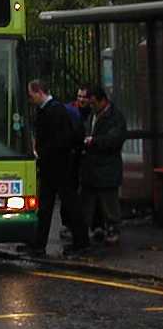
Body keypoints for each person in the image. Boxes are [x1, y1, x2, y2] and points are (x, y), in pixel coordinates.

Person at [19, 79, 89, 257]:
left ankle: (81, 242)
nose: (30, 99)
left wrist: (44, 152)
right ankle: (38, 244)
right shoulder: (47, 110)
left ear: (39, 92)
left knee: (69, 204)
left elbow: (61, 139)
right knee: (46, 206)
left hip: (59, 165)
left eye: (31, 95)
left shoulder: (55, 111)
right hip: (52, 165)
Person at [81, 85, 127, 245]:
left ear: (103, 101)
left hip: (107, 167)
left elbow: (114, 140)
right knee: (91, 202)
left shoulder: (115, 117)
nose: (91, 106)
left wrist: (94, 141)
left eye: (93, 103)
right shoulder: (93, 116)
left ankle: (113, 228)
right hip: (92, 167)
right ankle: (96, 227)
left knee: (109, 202)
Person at [59, 85, 91, 240]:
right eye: (79, 96)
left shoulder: (92, 114)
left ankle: (88, 224)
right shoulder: (70, 111)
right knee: (70, 190)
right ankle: (68, 224)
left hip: (86, 157)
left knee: (85, 191)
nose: (81, 100)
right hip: (72, 156)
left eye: (84, 97)